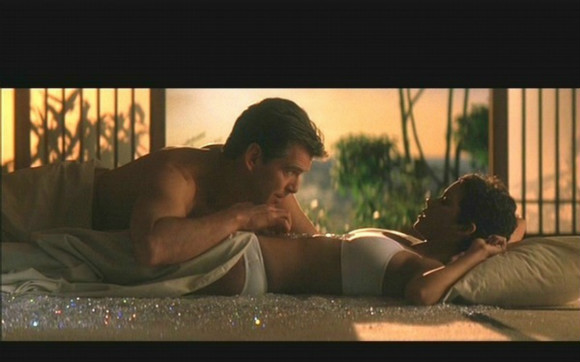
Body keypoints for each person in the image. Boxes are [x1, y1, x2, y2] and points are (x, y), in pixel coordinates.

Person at [195, 173, 523, 305]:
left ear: (465, 229)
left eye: (445, 202)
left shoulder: (422, 266)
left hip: (249, 265)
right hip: (247, 244)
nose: (431, 201)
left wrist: (477, 254)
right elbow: (519, 225)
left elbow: (422, 294)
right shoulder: (409, 243)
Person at [91, 98, 327, 267]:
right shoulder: (178, 176)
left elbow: (319, 247)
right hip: (75, 198)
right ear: (253, 158)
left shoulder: (269, 187)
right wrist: (240, 218)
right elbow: (153, 248)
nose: (295, 186)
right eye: (290, 171)